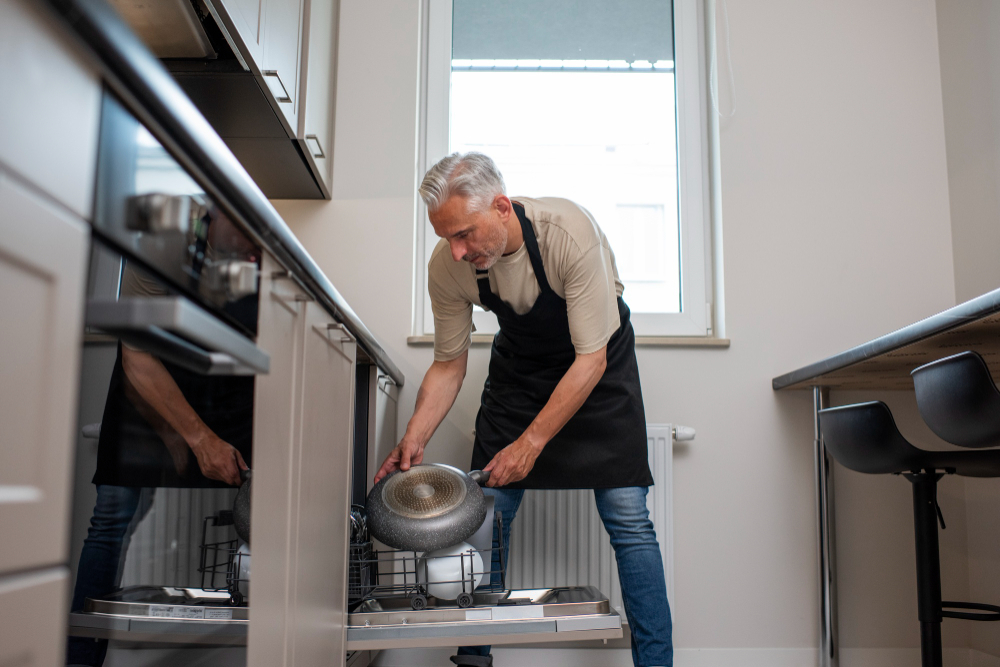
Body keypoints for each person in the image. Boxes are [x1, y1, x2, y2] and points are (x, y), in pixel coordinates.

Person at [374, 152, 673, 667]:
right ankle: (473, 660)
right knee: (486, 517)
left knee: (628, 518)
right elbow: (449, 366)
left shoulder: (569, 234)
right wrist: (414, 437)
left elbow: (590, 358)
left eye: (465, 234)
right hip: (521, 375)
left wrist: (532, 443)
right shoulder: (449, 267)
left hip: (597, 369)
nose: (458, 250)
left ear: (502, 206)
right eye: (447, 238)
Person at [67, 212, 256, 667]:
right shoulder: (161, 247)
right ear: (216, 217)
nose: (255, 250)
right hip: (151, 377)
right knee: (112, 516)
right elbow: (136, 351)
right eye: (247, 237)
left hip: (223, 385)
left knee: (256, 512)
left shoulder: (265, 262)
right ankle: (79, 658)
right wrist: (191, 438)